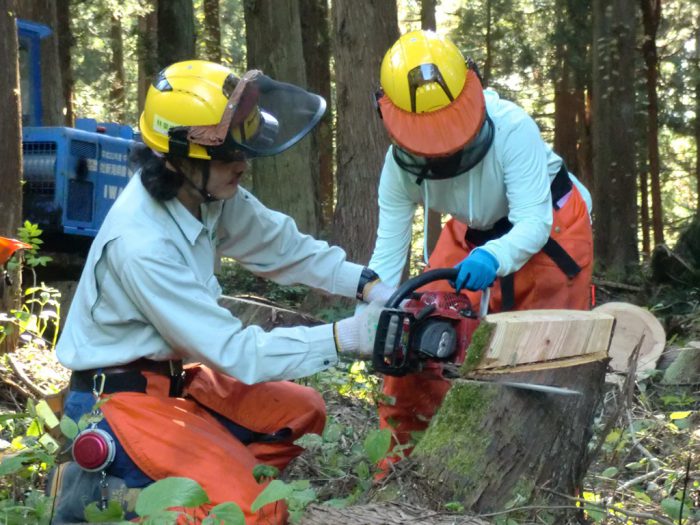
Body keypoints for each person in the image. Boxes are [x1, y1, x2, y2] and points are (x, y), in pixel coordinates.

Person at [55, 60, 393, 524]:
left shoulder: (205, 195)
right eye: (228, 155)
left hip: (178, 377)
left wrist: (368, 284)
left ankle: (195, 481)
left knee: (301, 413)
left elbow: (283, 246)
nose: (242, 164)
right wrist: (347, 337)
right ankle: (120, 499)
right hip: (118, 397)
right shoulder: (141, 243)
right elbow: (236, 352)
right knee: (256, 509)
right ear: (179, 155)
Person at [368, 31, 594, 466]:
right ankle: (402, 469)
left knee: (543, 358)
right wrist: (376, 309)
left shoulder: (511, 127)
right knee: (421, 328)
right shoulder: (398, 169)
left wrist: (494, 256)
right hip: (472, 230)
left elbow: (532, 221)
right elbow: (387, 258)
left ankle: (534, 476)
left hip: (549, 224)